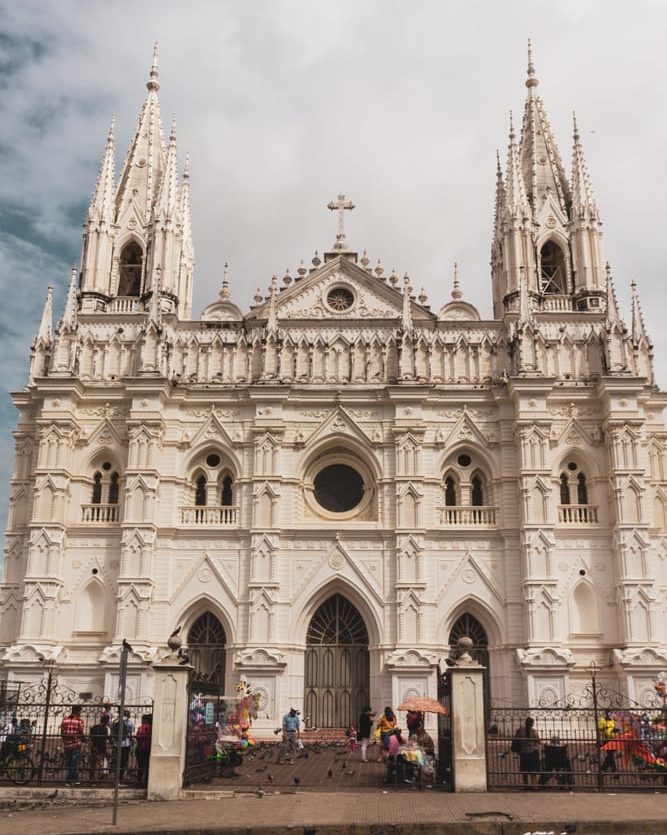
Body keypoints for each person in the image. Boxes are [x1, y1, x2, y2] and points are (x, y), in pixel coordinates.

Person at [60, 705, 85, 785]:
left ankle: (76, 779)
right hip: (76, 744)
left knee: (70, 762)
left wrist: (65, 740)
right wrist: (84, 739)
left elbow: (62, 732)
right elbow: (81, 733)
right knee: (74, 763)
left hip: (67, 745)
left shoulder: (65, 720)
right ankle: (69, 780)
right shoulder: (79, 721)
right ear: (78, 711)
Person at [513, 716, 540, 789]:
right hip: (532, 752)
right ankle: (534, 786)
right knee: (533, 771)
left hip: (523, 752)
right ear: (532, 724)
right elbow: (538, 740)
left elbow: (516, 739)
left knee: (524, 770)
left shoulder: (520, 731)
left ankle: (526, 785)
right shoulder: (534, 731)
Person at [111, 709, 135, 782]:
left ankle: (115, 777)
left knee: (116, 760)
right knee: (123, 761)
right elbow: (131, 734)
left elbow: (112, 732)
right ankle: (120, 778)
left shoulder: (115, 721)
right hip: (126, 744)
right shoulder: (129, 723)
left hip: (116, 743)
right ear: (128, 715)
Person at [89, 714, 110, 781]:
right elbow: (104, 740)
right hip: (101, 749)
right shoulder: (105, 729)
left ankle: (91, 779)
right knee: (99, 765)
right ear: (106, 721)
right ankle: (96, 779)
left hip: (94, 748)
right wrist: (105, 751)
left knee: (93, 764)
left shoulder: (94, 727)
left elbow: (90, 738)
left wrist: (92, 746)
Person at [598, 710, 618, 776]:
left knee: (610, 755)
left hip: (614, 739)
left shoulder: (613, 720)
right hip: (606, 739)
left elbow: (617, 728)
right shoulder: (603, 720)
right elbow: (600, 729)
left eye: (611, 713)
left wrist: (615, 730)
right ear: (606, 714)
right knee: (610, 754)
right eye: (608, 713)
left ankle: (604, 768)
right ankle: (614, 771)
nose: (610, 714)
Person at [135, 713, 152, 785]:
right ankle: (146, 781)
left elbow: (137, 737)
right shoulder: (152, 727)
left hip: (141, 748)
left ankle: (139, 780)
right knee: (148, 765)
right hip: (149, 748)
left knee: (141, 766)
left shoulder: (140, 728)